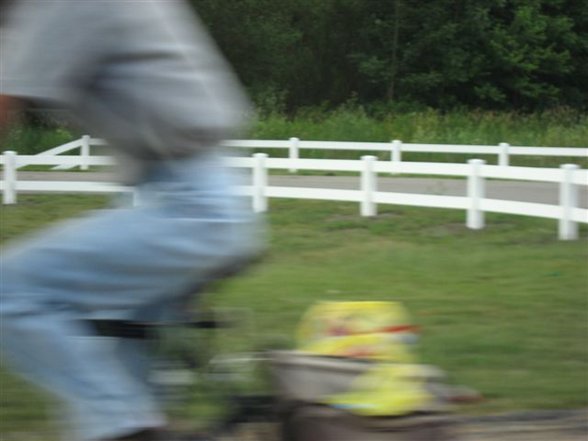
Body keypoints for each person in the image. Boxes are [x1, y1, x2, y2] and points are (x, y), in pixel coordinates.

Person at [0, 1, 263, 440]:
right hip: (174, 198)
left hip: (187, 207)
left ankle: (124, 429)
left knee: (10, 291)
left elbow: (6, 102)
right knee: (125, 348)